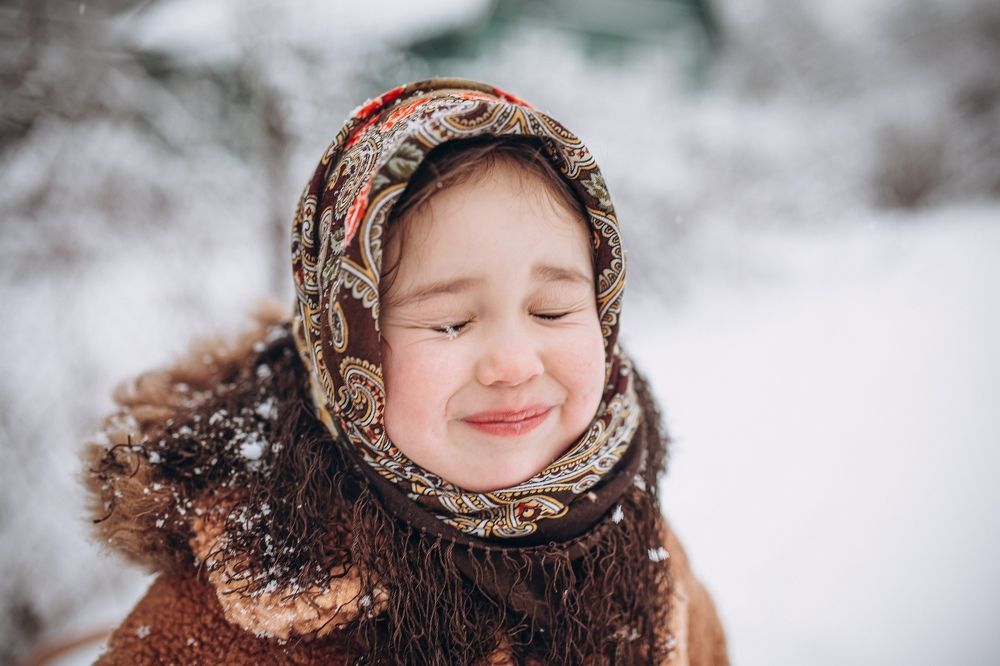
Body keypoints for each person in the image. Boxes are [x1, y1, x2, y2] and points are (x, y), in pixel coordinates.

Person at [86, 78, 728, 665]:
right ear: (346, 351)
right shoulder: (230, 625)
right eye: (450, 323)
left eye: (553, 311)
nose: (512, 365)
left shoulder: (634, 535)